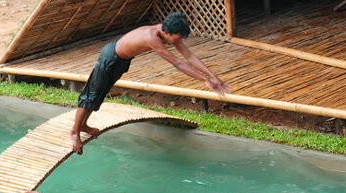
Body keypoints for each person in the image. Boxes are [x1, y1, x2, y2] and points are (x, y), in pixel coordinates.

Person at [69, 11, 231, 154]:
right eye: (177, 38)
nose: (178, 42)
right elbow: (178, 63)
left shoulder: (168, 30)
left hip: (121, 60)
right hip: (110, 58)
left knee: (99, 95)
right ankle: (75, 132)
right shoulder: (151, 37)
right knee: (90, 95)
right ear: (167, 33)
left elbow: (189, 56)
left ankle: (84, 125)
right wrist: (204, 80)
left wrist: (213, 76)